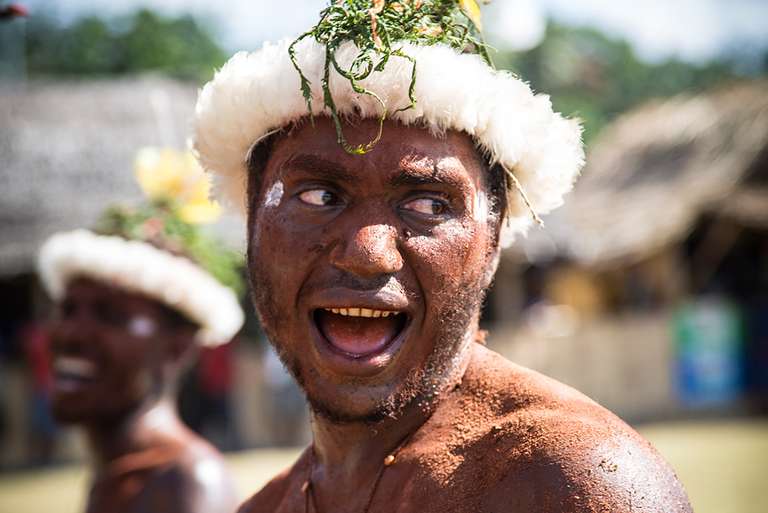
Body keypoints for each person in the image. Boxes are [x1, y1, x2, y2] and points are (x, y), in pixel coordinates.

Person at [193, 1, 692, 512]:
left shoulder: (571, 484)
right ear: (252, 219)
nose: (369, 255)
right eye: (320, 196)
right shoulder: (266, 506)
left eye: (428, 204)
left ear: (494, 237)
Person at [37, 147, 243, 513]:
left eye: (111, 316)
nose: (70, 334)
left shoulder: (183, 482)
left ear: (178, 348)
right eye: (67, 310)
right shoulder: (121, 477)